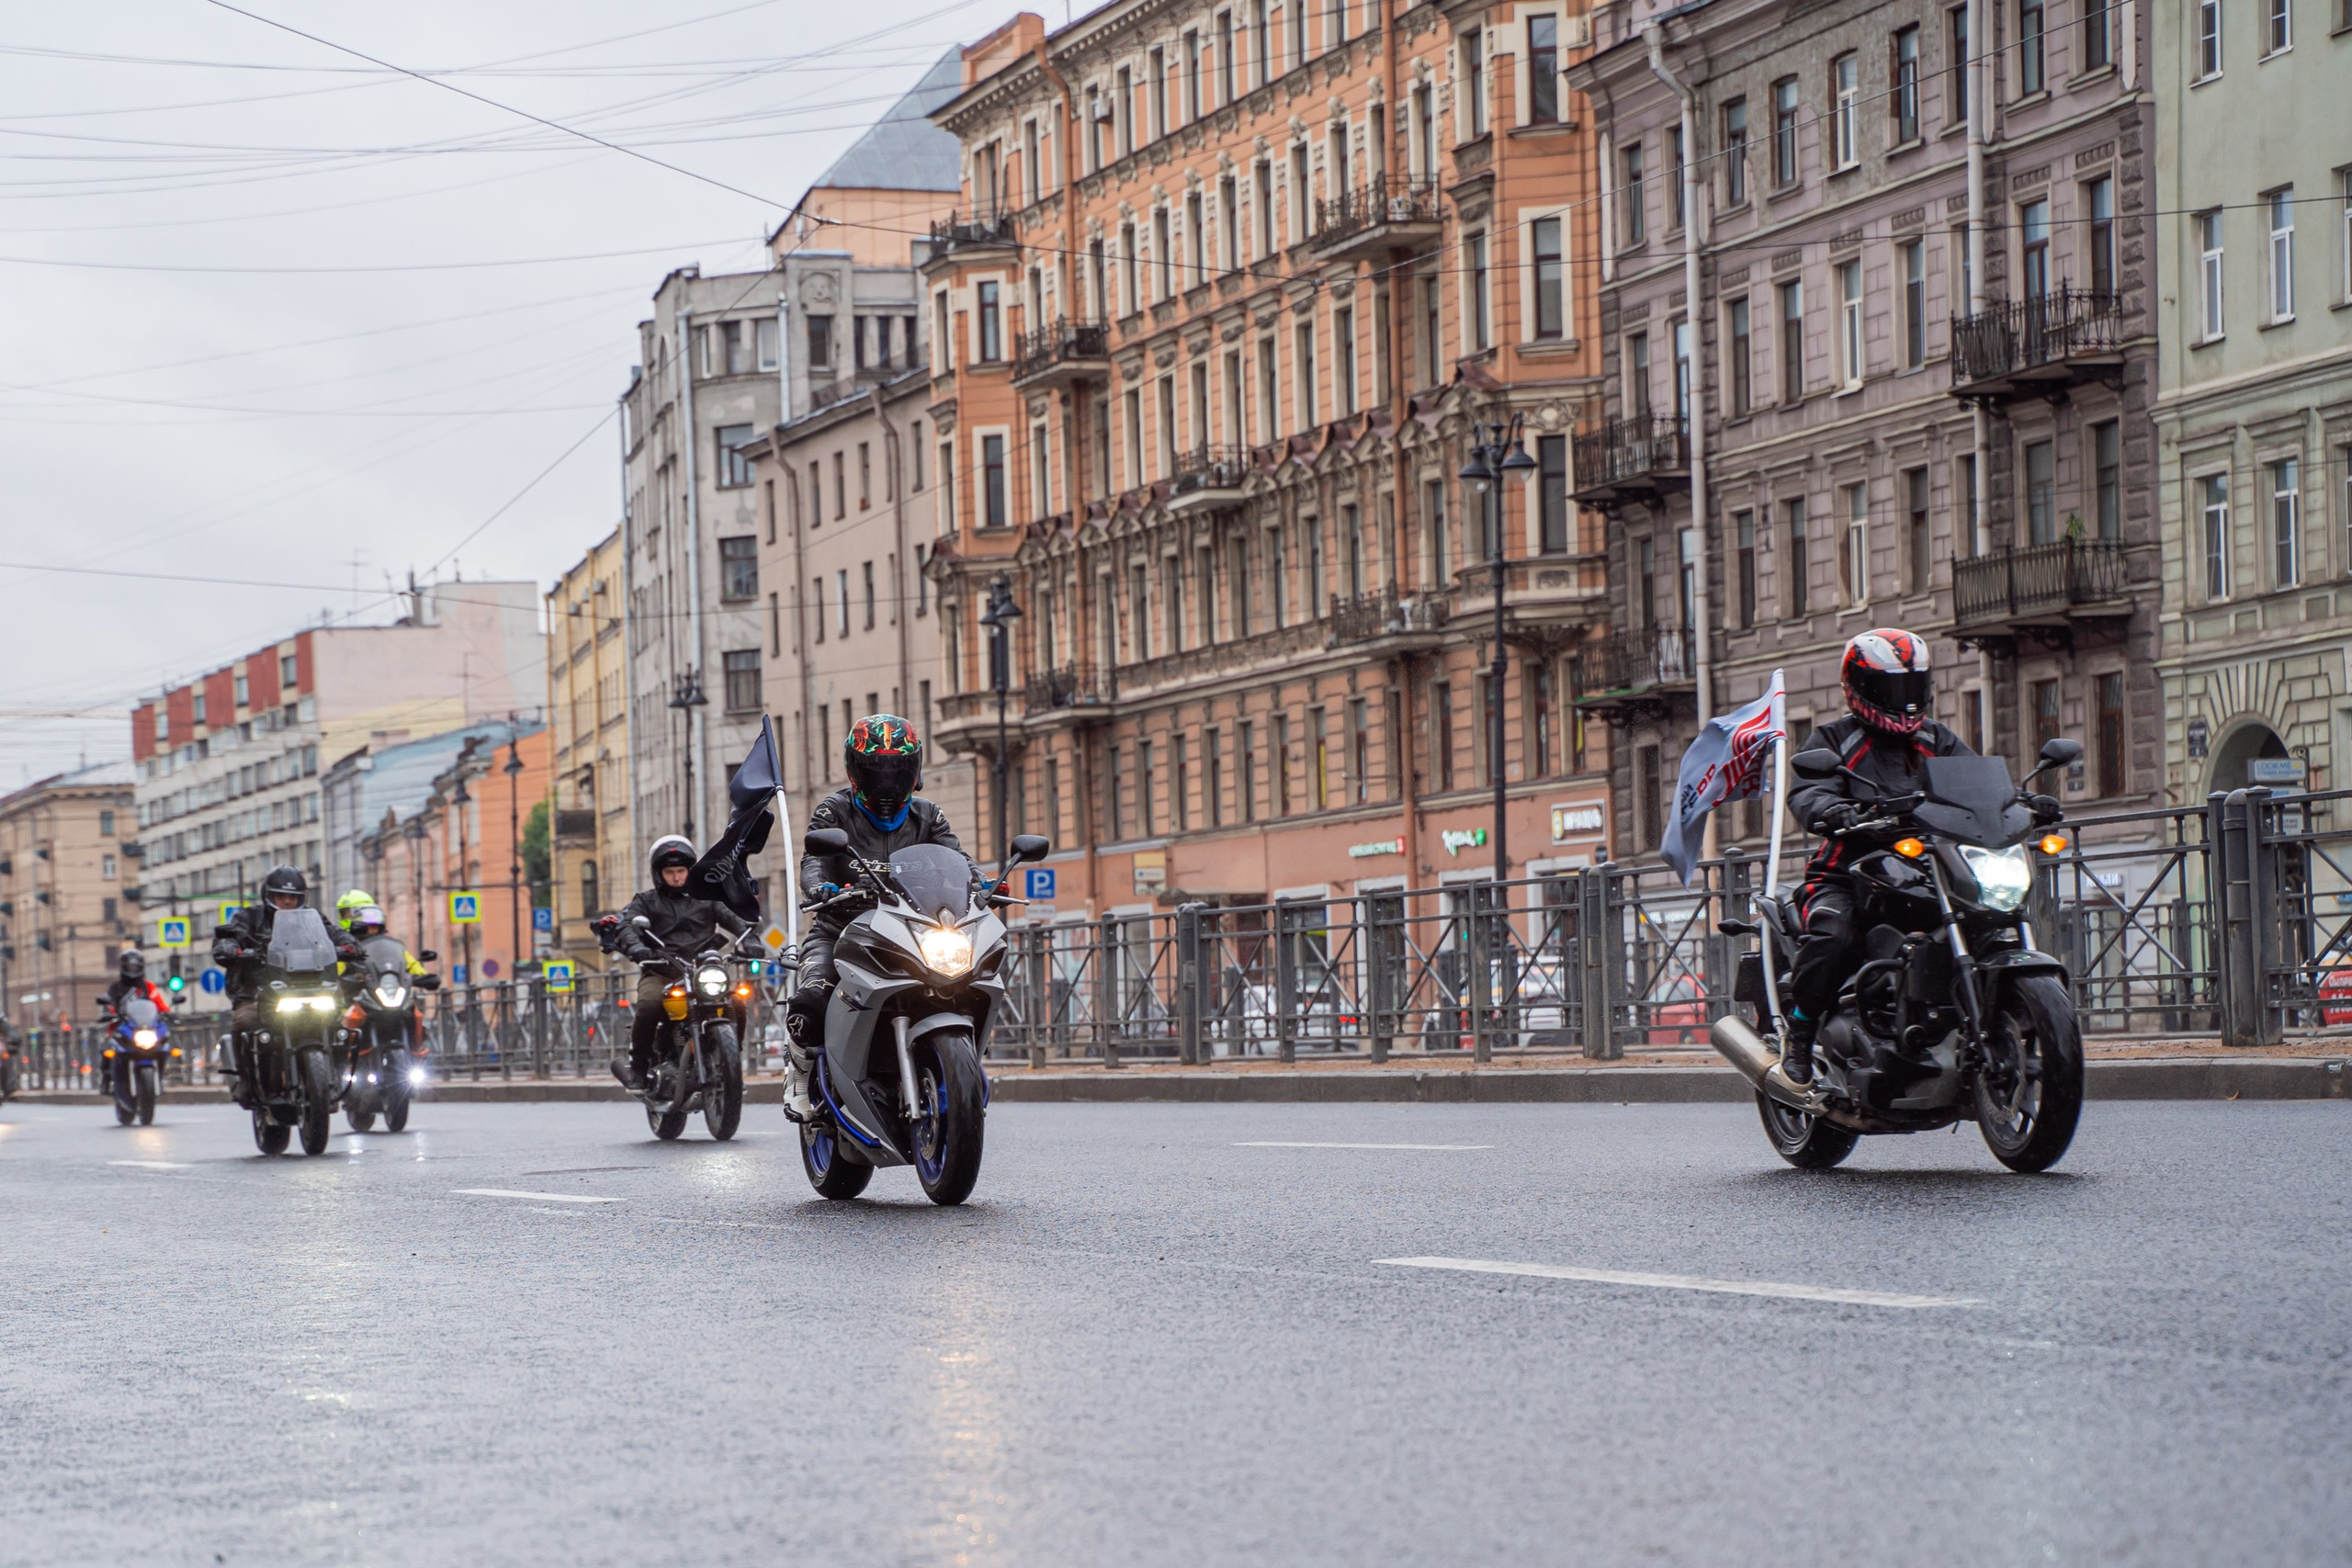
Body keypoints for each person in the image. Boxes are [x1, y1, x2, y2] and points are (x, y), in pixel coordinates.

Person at [1782, 631, 1981, 1084]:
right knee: (1833, 935)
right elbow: (1807, 791)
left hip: (1930, 871)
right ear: (1860, 688)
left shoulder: (1938, 739)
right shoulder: (1834, 740)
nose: (1906, 701)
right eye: (1894, 690)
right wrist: (1830, 808)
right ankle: (1800, 1027)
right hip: (1846, 874)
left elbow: (1974, 780)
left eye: (1913, 687)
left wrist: (2021, 800)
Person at [784, 714, 963, 1121]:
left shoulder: (928, 815)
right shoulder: (834, 811)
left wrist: (984, 883)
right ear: (854, 772)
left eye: (897, 769)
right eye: (875, 770)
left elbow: (956, 859)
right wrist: (819, 888)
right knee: (813, 996)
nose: (886, 781)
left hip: (911, 932)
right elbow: (815, 860)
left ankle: (955, 1064)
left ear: (914, 771)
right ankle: (798, 1072)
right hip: (841, 929)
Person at [211, 866, 363, 1107]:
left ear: (301, 898)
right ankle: (246, 1082)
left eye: (292, 897)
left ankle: (335, 1078)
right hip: (257, 993)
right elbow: (230, 938)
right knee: (246, 1021)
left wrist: (350, 946)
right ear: (268, 896)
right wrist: (230, 948)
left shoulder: (313, 921)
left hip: (309, 988)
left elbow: (335, 934)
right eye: (281, 896)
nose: (287, 901)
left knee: (338, 1024)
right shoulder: (248, 918)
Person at [609, 835, 751, 1091]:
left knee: (737, 1001)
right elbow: (627, 925)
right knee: (650, 1005)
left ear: (690, 871)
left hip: (703, 971)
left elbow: (735, 919)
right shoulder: (645, 900)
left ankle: (731, 1064)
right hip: (661, 971)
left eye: (681, 871)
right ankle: (639, 1067)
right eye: (670, 872)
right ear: (658, 873)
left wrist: (749, 939)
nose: (676, 877)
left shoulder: (708, 899)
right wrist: (637, 948)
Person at [98, 950, 171, 1094]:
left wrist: (167, 1013)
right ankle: (106, 1081)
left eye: (136, 967)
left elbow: (159, 1004)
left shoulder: (148, 986)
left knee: (164, 1046)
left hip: (145, 1028)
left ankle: (161, 1078)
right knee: (107, 1051)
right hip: (121, 1028)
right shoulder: (115, 988)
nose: (133, 970)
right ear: (123, 967)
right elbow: (109, 1005)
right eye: (130, 967)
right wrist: (109, 1013)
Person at [334, 889, 429, 978]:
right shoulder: (345, 944)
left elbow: (409, 963)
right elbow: (335, 968)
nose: (347, 917)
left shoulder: (389, 946)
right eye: (344, 914)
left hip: (387, 988)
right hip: (355, 993)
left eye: (348, 913)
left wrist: (423, 978)